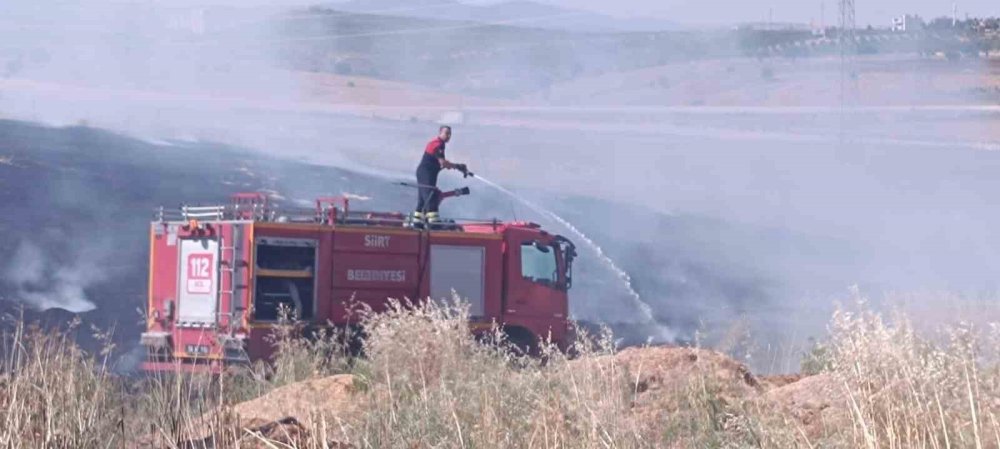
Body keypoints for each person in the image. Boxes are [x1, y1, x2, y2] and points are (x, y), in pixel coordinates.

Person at [412, 125, 469, 225]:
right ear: (440, 133)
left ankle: (417, 221)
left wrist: (457, 167)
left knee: (422, 199)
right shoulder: (437, 144)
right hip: (426, 173)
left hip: (427, 173)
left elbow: (441, 164)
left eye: (450, 134)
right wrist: (458, 166)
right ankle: (434, 222)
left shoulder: (440, 144)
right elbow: (443, 163)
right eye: (446, 133)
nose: (448, 136)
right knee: (431, 197)